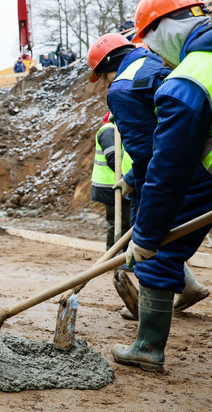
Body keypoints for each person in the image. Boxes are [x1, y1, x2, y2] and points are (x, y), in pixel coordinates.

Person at [88, 6, 212, 370]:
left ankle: (147, 348)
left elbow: (158, 159)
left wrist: (145, 232)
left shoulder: (147, 84)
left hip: (197, 174)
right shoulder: (164, 68)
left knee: (157, 252)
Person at [90, 112, 133, 252]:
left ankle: (120, 256)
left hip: (117, 183)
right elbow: (113, 159)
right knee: (118, 223)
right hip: (110, 185)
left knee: (124, 222)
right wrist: (129, 178)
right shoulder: (109, 130)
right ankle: (114, 256)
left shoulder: (116, 130)